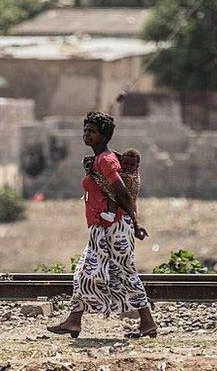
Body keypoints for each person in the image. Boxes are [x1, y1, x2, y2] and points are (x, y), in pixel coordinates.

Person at [47, 111, 157, 339]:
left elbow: (124, 195)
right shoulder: (101, 158)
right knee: (84, 274)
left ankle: (147, 322)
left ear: (104, 136)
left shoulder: (105, 160)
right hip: (102, 229)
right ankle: (74, 321)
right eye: (85, 129)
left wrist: (136, 224)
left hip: (113, 228)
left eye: (92, 131)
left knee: (124, 273)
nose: (86, 134)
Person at [99, 148, 142, 223]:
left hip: (127, 200)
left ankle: (111, 214)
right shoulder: (131, 168)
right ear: (121, 162)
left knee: (112, 197)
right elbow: (121, 157)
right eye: (125, 163)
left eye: (132, 165)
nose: (128, 166)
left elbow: (113, 186)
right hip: (129, 205)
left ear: (137, 166)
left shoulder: (129, 177)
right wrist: (107, 150)